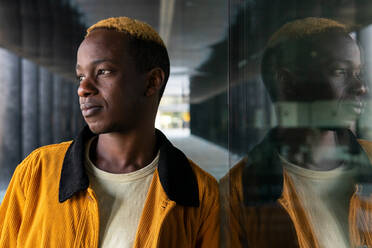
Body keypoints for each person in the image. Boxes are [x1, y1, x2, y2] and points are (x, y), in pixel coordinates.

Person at [0, 17, 219, 247]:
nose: (83, 89)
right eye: (81, 76)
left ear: (152, 82)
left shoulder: (201, 194)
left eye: (103, 71)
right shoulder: (37, 172)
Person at [221, 17, 372, 248]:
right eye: (340, 71)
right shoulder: (234, 195)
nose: (360, 87)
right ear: (287, 82)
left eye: (357, 72)